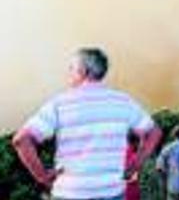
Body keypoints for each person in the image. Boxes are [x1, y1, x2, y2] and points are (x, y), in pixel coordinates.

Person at [12, 47, 162, 200]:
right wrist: (135, 165)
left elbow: (21, 140)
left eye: (71, 68)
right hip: (112, 192)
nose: (68, 73)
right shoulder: (123, 101)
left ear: (82, 71)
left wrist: (42, 176)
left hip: (70, 193)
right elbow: (154, 132)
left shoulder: (60, 103)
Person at [126, 134, 142, 200]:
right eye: (139, 142)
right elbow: (131, 178)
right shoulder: (134, 156)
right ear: (135, 142)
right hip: (131, 191)